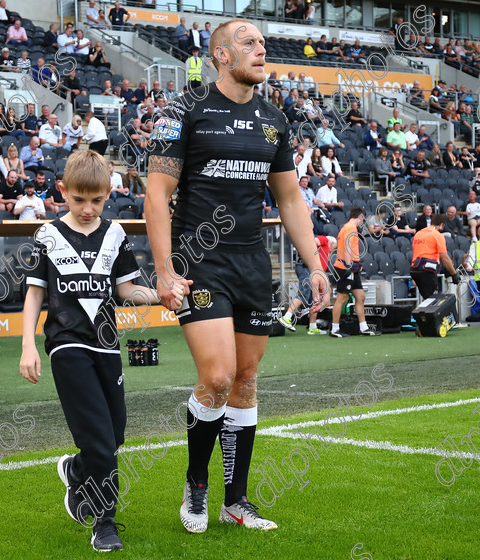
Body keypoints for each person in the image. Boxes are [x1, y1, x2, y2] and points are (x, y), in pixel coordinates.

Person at [145, 19, 328, 535]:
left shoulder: (275, 119)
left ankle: (236, 501)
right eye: (248, 42)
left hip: (253, 265)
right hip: (199, 261)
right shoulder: (184, 112)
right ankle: (196, 487)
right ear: (221, 56)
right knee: (219, 377)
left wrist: (314, 266)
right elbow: (156, 196)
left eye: (263, 42)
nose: (261, 49)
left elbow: (290, 198)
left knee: (245, 382)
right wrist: (163, 270)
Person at [20, 150, 182, 552]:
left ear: (109, 194)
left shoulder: (116, 234)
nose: (88, 208)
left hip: (107, 344)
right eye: (79, 200)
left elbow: (126, 290)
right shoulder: (47, 236)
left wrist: (160, 296)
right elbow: (34, 295)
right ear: (62, 192)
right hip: (67, 344)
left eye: (97, 200)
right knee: (98, 437)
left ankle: (75, 470)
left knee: (115, 433)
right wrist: (28, 346)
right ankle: (105, 521)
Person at [329, 208, 380, 337]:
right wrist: (348, 267)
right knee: (342, 298)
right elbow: (346, 248)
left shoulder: (348, 228)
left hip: (352, 267)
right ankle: (334, 329)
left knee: (360, 296)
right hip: (346, 267)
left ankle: (363, 328)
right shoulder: (350, 228)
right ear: (360, 217)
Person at [278, 235, 336, 335]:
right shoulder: (325, 240)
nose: (331, 252)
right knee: (304, 292)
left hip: (313, 271)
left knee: (315, 299)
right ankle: (286, 317)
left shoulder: (324, 247)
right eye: (333, 249)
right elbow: (312, 243)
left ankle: (312, 327)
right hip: (306, 268)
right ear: (331, 244)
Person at [410, 214, 461, 299]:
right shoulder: (437, 235)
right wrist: (454, 274)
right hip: (427, 269)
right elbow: (445, 258)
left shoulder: (419, 233)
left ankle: (421, 311)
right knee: (432, 299)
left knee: (426, 297)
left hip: (414, 268)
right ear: (441, 225)